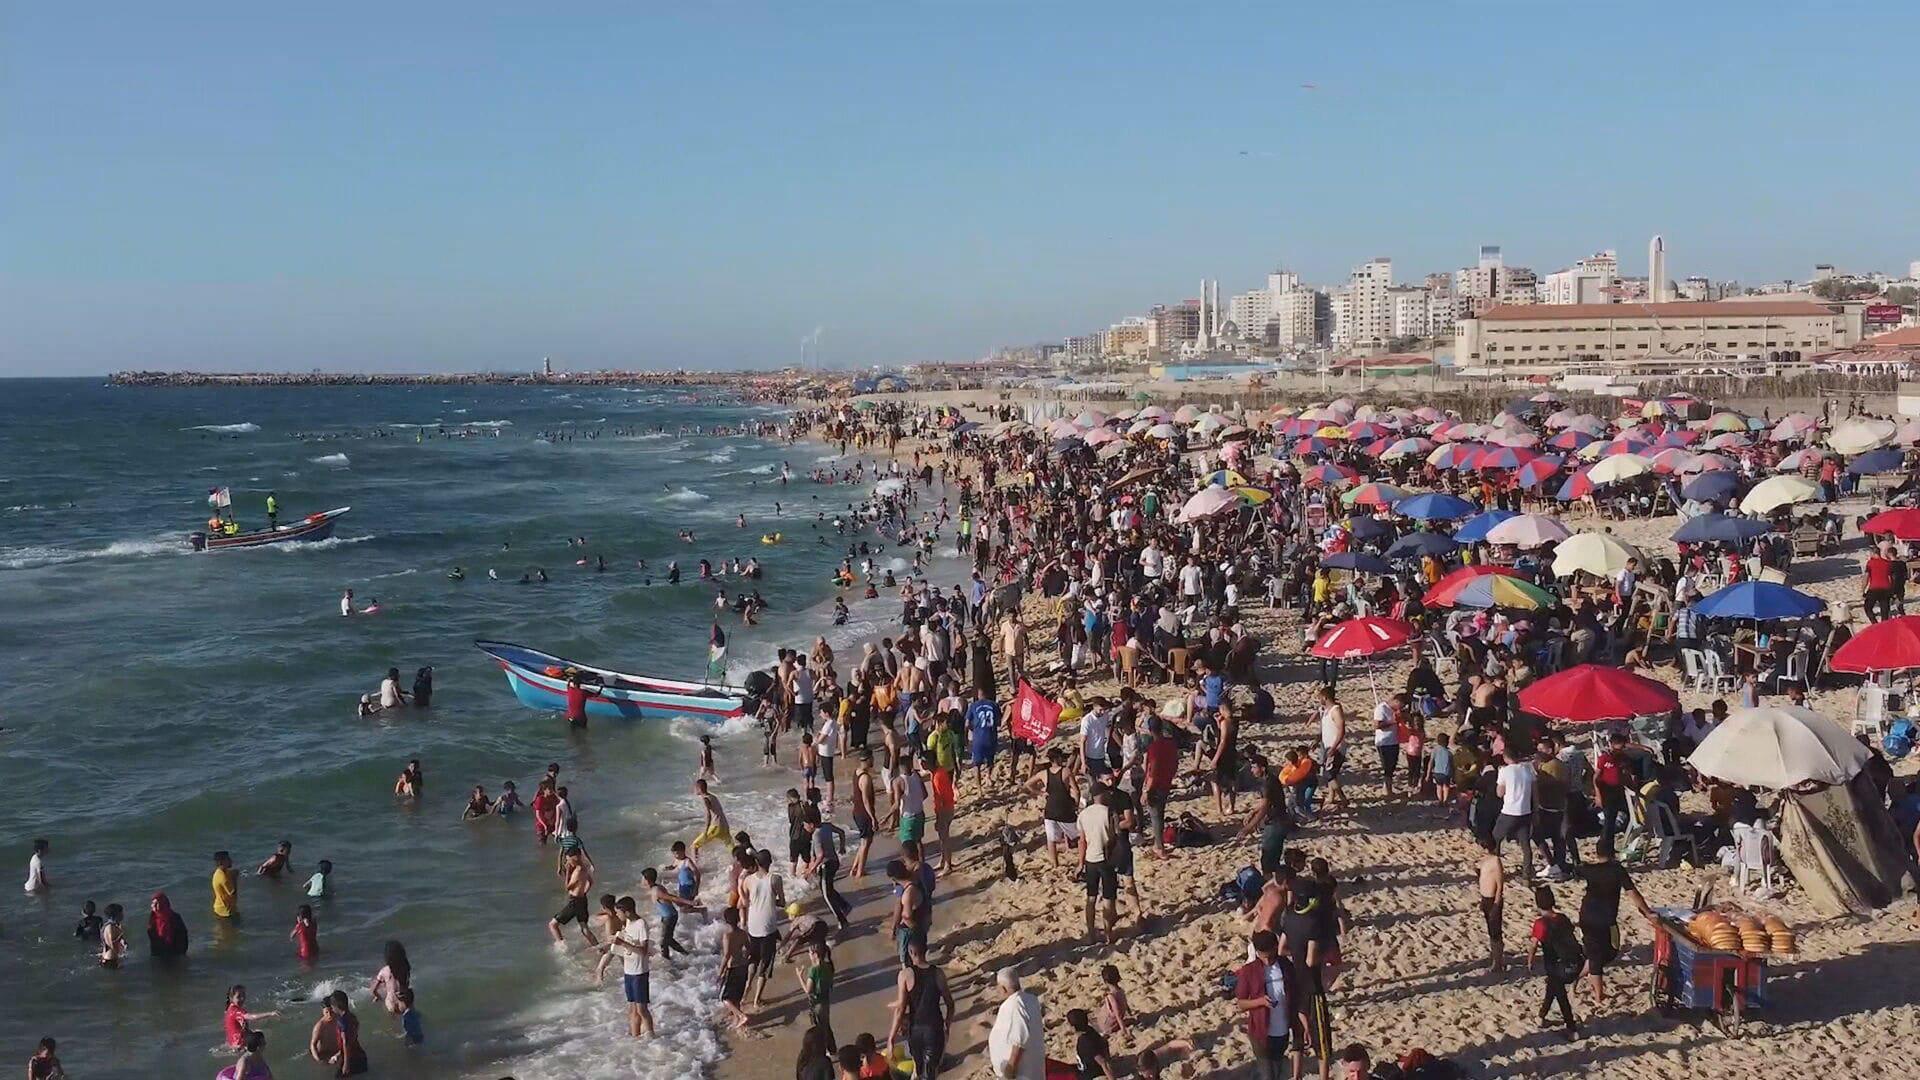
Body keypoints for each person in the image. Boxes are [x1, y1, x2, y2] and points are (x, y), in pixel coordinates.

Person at [1575, 835, 1655, 1009]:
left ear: (1597, 854)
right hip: (1605, 920)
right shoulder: (1617, 870)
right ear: (1613, 853)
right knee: (1610, 951)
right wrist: (1647, 912)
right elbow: (1633, 893)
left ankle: (1579, 976)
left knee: (1595, 953)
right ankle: (1598, 996)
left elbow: (1576, 869)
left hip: (1586, 916)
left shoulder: (1589, 869)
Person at [1234, 930, 1307, 1080]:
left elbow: (1297, 996)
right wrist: (1260, 1001)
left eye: (1270, 956)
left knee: (1277, 1071)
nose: (1267, 961)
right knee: (1268, 1075)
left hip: (1282, 1033)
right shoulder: (1249, 971)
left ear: (1275, 948)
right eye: (1263, 956)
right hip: (1260, 1033)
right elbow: (1241, 1003)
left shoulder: (1286, 966)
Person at [887, 937, 954, 1080]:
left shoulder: (905, 975)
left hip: (915, 1030)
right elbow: (950, 1004)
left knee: (918, 1068)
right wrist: (947, 1025)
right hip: (934, 1029)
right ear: (926, 951)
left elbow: (901, 1008)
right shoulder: (938, 973)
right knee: (931, 1072)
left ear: (911, 952)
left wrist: (891, 1039)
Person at [1527, 886, 1583, 1038]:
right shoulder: (1563, 918)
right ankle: (1541, 1015)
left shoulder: (1541, 923)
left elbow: (1534, 945)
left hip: (1557, 965)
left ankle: (1571, 1028)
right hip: (1575, 962)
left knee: (1561, 996)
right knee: (1552, 986)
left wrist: (1530, 960)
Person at [607, 895, 655, 1038]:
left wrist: (623, 943)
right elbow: (627, 942)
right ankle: (635, 1038)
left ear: (626, 911)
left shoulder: (641, 924)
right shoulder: (627, 922)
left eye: (618, 912)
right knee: (632, 1009)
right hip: (628, 970)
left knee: (641, 1009)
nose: (617, 915)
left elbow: (643, 951)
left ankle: (651, 1037)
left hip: (639, 971)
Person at [986, 966, 1045, 1080]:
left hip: (1021, 1073)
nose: (997, 990)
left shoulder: (1016, 1005)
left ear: (1003, 988)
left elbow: (1020, 1040)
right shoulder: (1030, 999)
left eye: (998, 986)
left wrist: (1011, 1067)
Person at [549, 849, 599, 947]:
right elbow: (590, 882)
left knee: (553, 924)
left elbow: (568, 887)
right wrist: (584, 892)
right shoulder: (584, 867)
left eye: (568, 859)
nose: (568, 862)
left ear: (575, 857)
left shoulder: (578, 870)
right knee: (584, 928)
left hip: (575, 901)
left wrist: (568, 871)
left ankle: (562, 947)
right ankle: (598, 948)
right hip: (582, 900)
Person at [1476, 841, 1505, 973]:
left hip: (1493, 900)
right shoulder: (1484, 860)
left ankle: (1498, 963)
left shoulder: (1496, 861)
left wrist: (1497, 904)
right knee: (1490, 931)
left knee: (1495, 933)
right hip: (1485, 898)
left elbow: (1500, 884)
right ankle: (1495, 957)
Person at [325, 990, 369, 1076]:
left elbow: (346, 1043)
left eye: (332, 1006)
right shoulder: (352, 1017)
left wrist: (346, 1064)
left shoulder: (342, 1021)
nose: (332, 1009)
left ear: (337, 1006)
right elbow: (352, 1039)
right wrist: (338, 1055)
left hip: (352, 1059)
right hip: (360, 1057)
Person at [223, 984, 280, 1049]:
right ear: (231, 998)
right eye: (238, 997)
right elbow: (251, 1017)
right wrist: (270, 1014)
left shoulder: (229, 1009)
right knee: (262, 1035)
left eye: (243, 995)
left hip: (232, 1044)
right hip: (240, 1046)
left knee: (257, 1032)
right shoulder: (236, 1011)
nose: (242, 998)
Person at [371, 940, 411, 1014]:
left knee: (392, 1019)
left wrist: (378, 997)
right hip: (403, 1001)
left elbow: (373, 990)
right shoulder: (405, 968)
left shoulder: (384, 971)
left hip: (390, 1003)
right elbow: (405, 985)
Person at [147, 891, 189, 957]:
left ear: (163, 904)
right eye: (153, 903)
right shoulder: (153, 918)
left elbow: (183, 937)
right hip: (158, 953)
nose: (153, 906)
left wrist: (180, 955)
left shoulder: (175, 918)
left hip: (175, 953)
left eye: (157, 903)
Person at [212, 850, 240, 919]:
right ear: (221, 862)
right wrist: (234, 879)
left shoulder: (221, 871)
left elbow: (229, 874)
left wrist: (233, 873)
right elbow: (232, 893)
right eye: (228, 859)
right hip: (225, 911)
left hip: (225, 907)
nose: (231, 861)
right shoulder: (222, 877)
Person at [98, 902, 127, 967]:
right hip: (111, 959)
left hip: (108, 958)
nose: (123, 915)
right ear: (116, 915)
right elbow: (111, 944)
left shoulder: (110, 925)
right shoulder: (110, 927)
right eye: (121, 913)